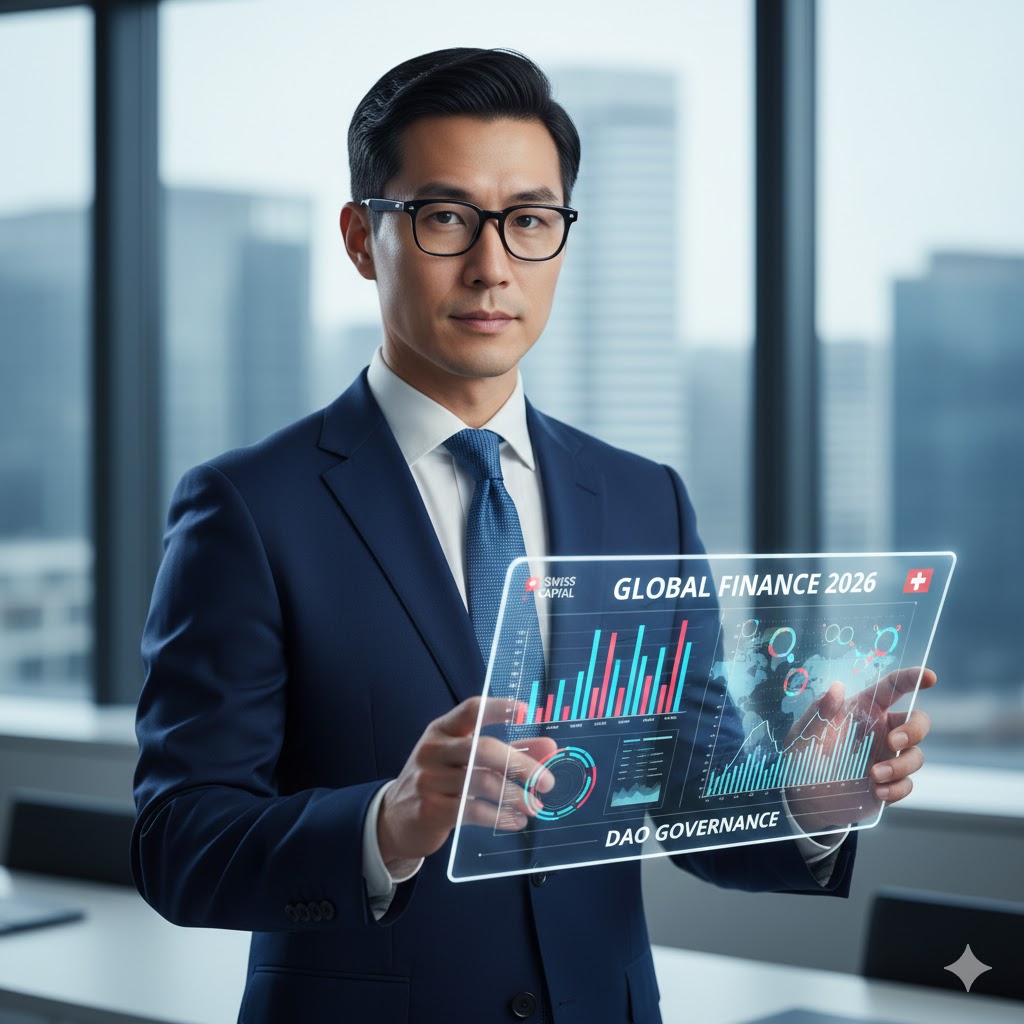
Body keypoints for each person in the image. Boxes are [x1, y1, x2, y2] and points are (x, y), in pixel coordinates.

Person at [131, 48, 934, 1024]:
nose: (491, 264)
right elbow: (180, 842)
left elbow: (683, 791)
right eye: (443, 217)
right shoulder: (249, 509)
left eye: (528, 220)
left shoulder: (645, 501)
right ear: (359, 236)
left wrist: (807, 795)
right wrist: (392, 819)